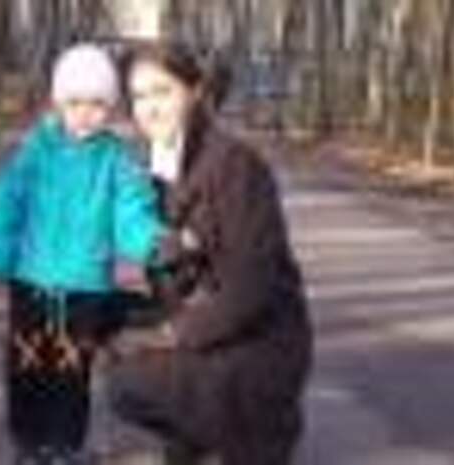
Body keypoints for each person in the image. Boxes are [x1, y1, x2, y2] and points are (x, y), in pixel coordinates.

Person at [107, 42, 313, 465]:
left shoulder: (235, 166)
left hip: (263, 341)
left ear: (195, 91)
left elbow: (252, 290)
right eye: (139, 96)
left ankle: (259, 428)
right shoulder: (159, 167)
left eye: (163, 92)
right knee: (95, 318)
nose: (150, 108)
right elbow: (170, 277)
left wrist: (167, 336)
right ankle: (195, 432)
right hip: (213, 327)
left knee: (130, 382)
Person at [0, 43, 165, 464]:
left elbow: (130, 211)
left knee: (72, 371)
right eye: (75, 104)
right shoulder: (35, 152)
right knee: (26, 366)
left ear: (110, 107)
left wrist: (151, 242)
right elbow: (5, 204)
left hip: (85, 287)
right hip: (31, 283)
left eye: (97, 105)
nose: (85, 114)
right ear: (59, 103)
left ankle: (64, 446)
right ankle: (28, 444)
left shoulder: (115, 159)